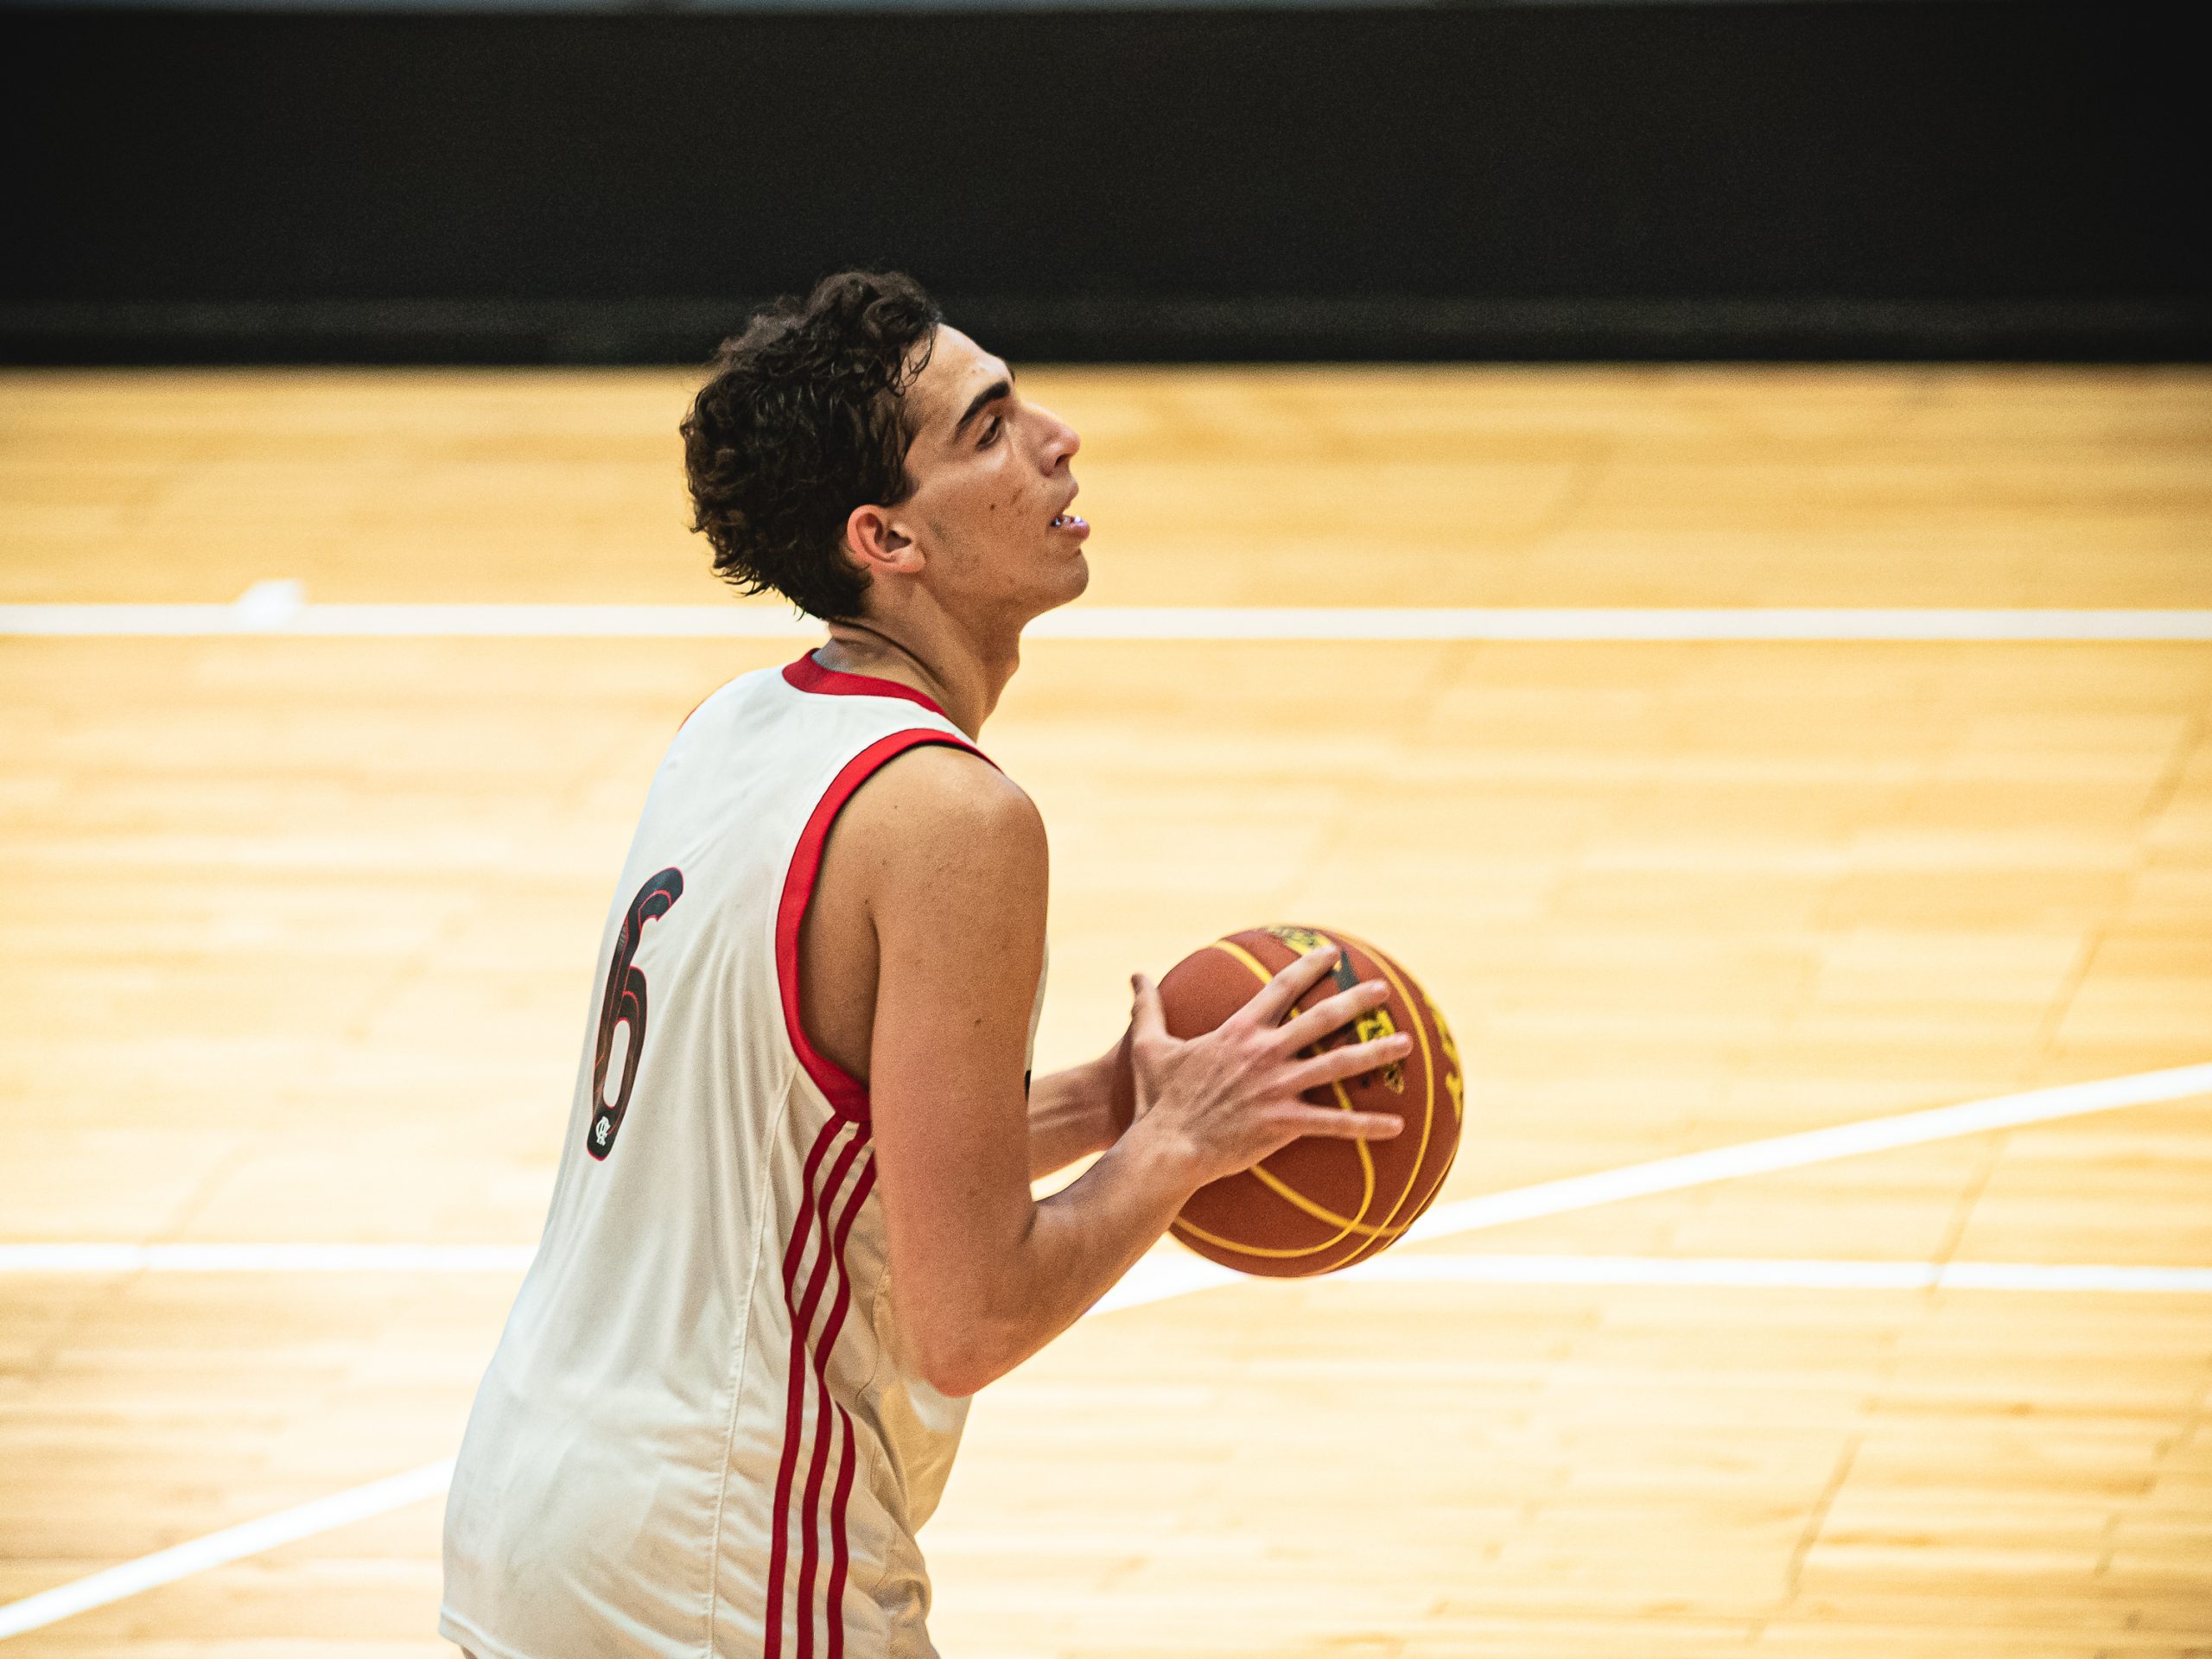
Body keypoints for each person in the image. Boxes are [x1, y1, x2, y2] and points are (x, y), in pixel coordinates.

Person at [439, 270, 1410, 1659]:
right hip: (721, 1546)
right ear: (885, 537)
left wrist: (1113, 1100)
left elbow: (814, 1150)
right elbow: (972, 1320)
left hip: (528, 1500)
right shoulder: (954, 817)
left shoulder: (734, 727)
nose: (1058, 439)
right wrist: (1176, 1150)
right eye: (990, 428)